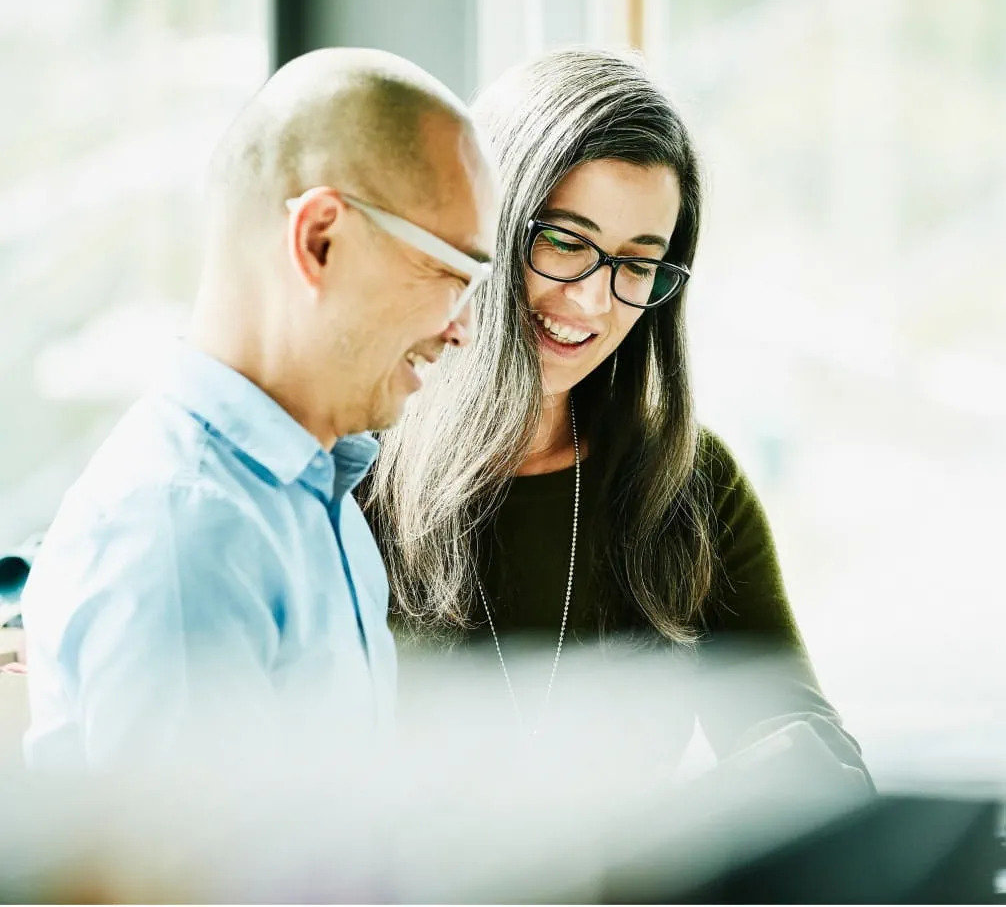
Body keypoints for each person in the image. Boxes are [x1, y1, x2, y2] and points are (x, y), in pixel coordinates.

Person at [364, 47, 869, 782]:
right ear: (486, 229)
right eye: (567, 243)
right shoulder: (349, 470)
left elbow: (820, 761)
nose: (595, 303)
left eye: (637, 264)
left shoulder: (686, 481)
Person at [21, 47, 496, 770]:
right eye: (449, 273)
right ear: (320, 240)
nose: (463, 326)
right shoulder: (186, 535)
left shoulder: (313, 497)